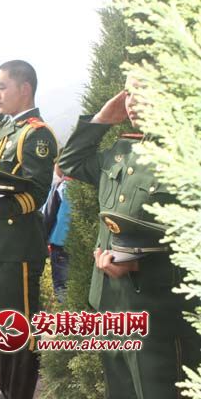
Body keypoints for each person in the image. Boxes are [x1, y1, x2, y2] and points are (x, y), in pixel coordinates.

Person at [59, 76, 201, 399]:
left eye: (145, 89)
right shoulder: (123, 150)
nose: (133, 100)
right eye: (129, 92)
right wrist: (102, 119)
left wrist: (140, 265)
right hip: (110, 304)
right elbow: (71, 163)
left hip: (160, 313)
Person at [0, 60, 58, 399]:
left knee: (20, 324)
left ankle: (16, 394)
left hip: (17, 245)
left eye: (1, 86)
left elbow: (37, 191)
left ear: (25, 89)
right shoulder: (10, 129)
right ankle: (4, 390)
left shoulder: (37, 133)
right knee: (2, 321)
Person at [42, 162, 71, 302]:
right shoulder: (90, 185)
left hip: (60, 242)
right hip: (83, 243)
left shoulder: (61, 186)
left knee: (61, 286)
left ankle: (65, 312)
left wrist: (43, 238)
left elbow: (48, 215)